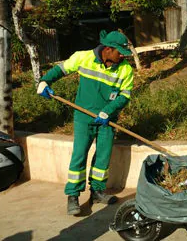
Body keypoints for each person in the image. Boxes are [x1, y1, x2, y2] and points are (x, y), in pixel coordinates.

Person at [36, 30, 134, 215]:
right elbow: (61, 69)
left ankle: (97, 191)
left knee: (103, 157)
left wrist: (108, 111)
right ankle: (73, 196)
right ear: (108, 49)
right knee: (79, 155)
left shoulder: (125, 69)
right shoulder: (83, 58)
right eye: (120, 51)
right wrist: (44, 81)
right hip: (83, 118)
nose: (122, 55)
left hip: (107, 120)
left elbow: (125, 96)